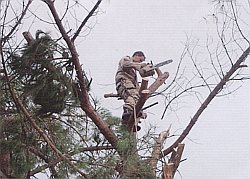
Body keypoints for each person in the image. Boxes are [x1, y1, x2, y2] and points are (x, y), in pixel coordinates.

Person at [115, 51, 157, 131]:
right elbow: (125, 65)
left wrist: (147, 71)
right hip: (123, 81)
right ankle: (127, 110)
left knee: (136, 97)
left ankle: (128, 123)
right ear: (137, 56)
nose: (141, 62)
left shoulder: (133, 74)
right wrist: (140, 65)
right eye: (140, 60)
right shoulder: (126, 58)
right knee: (133, 95)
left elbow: (137, 87)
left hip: (128, 84)